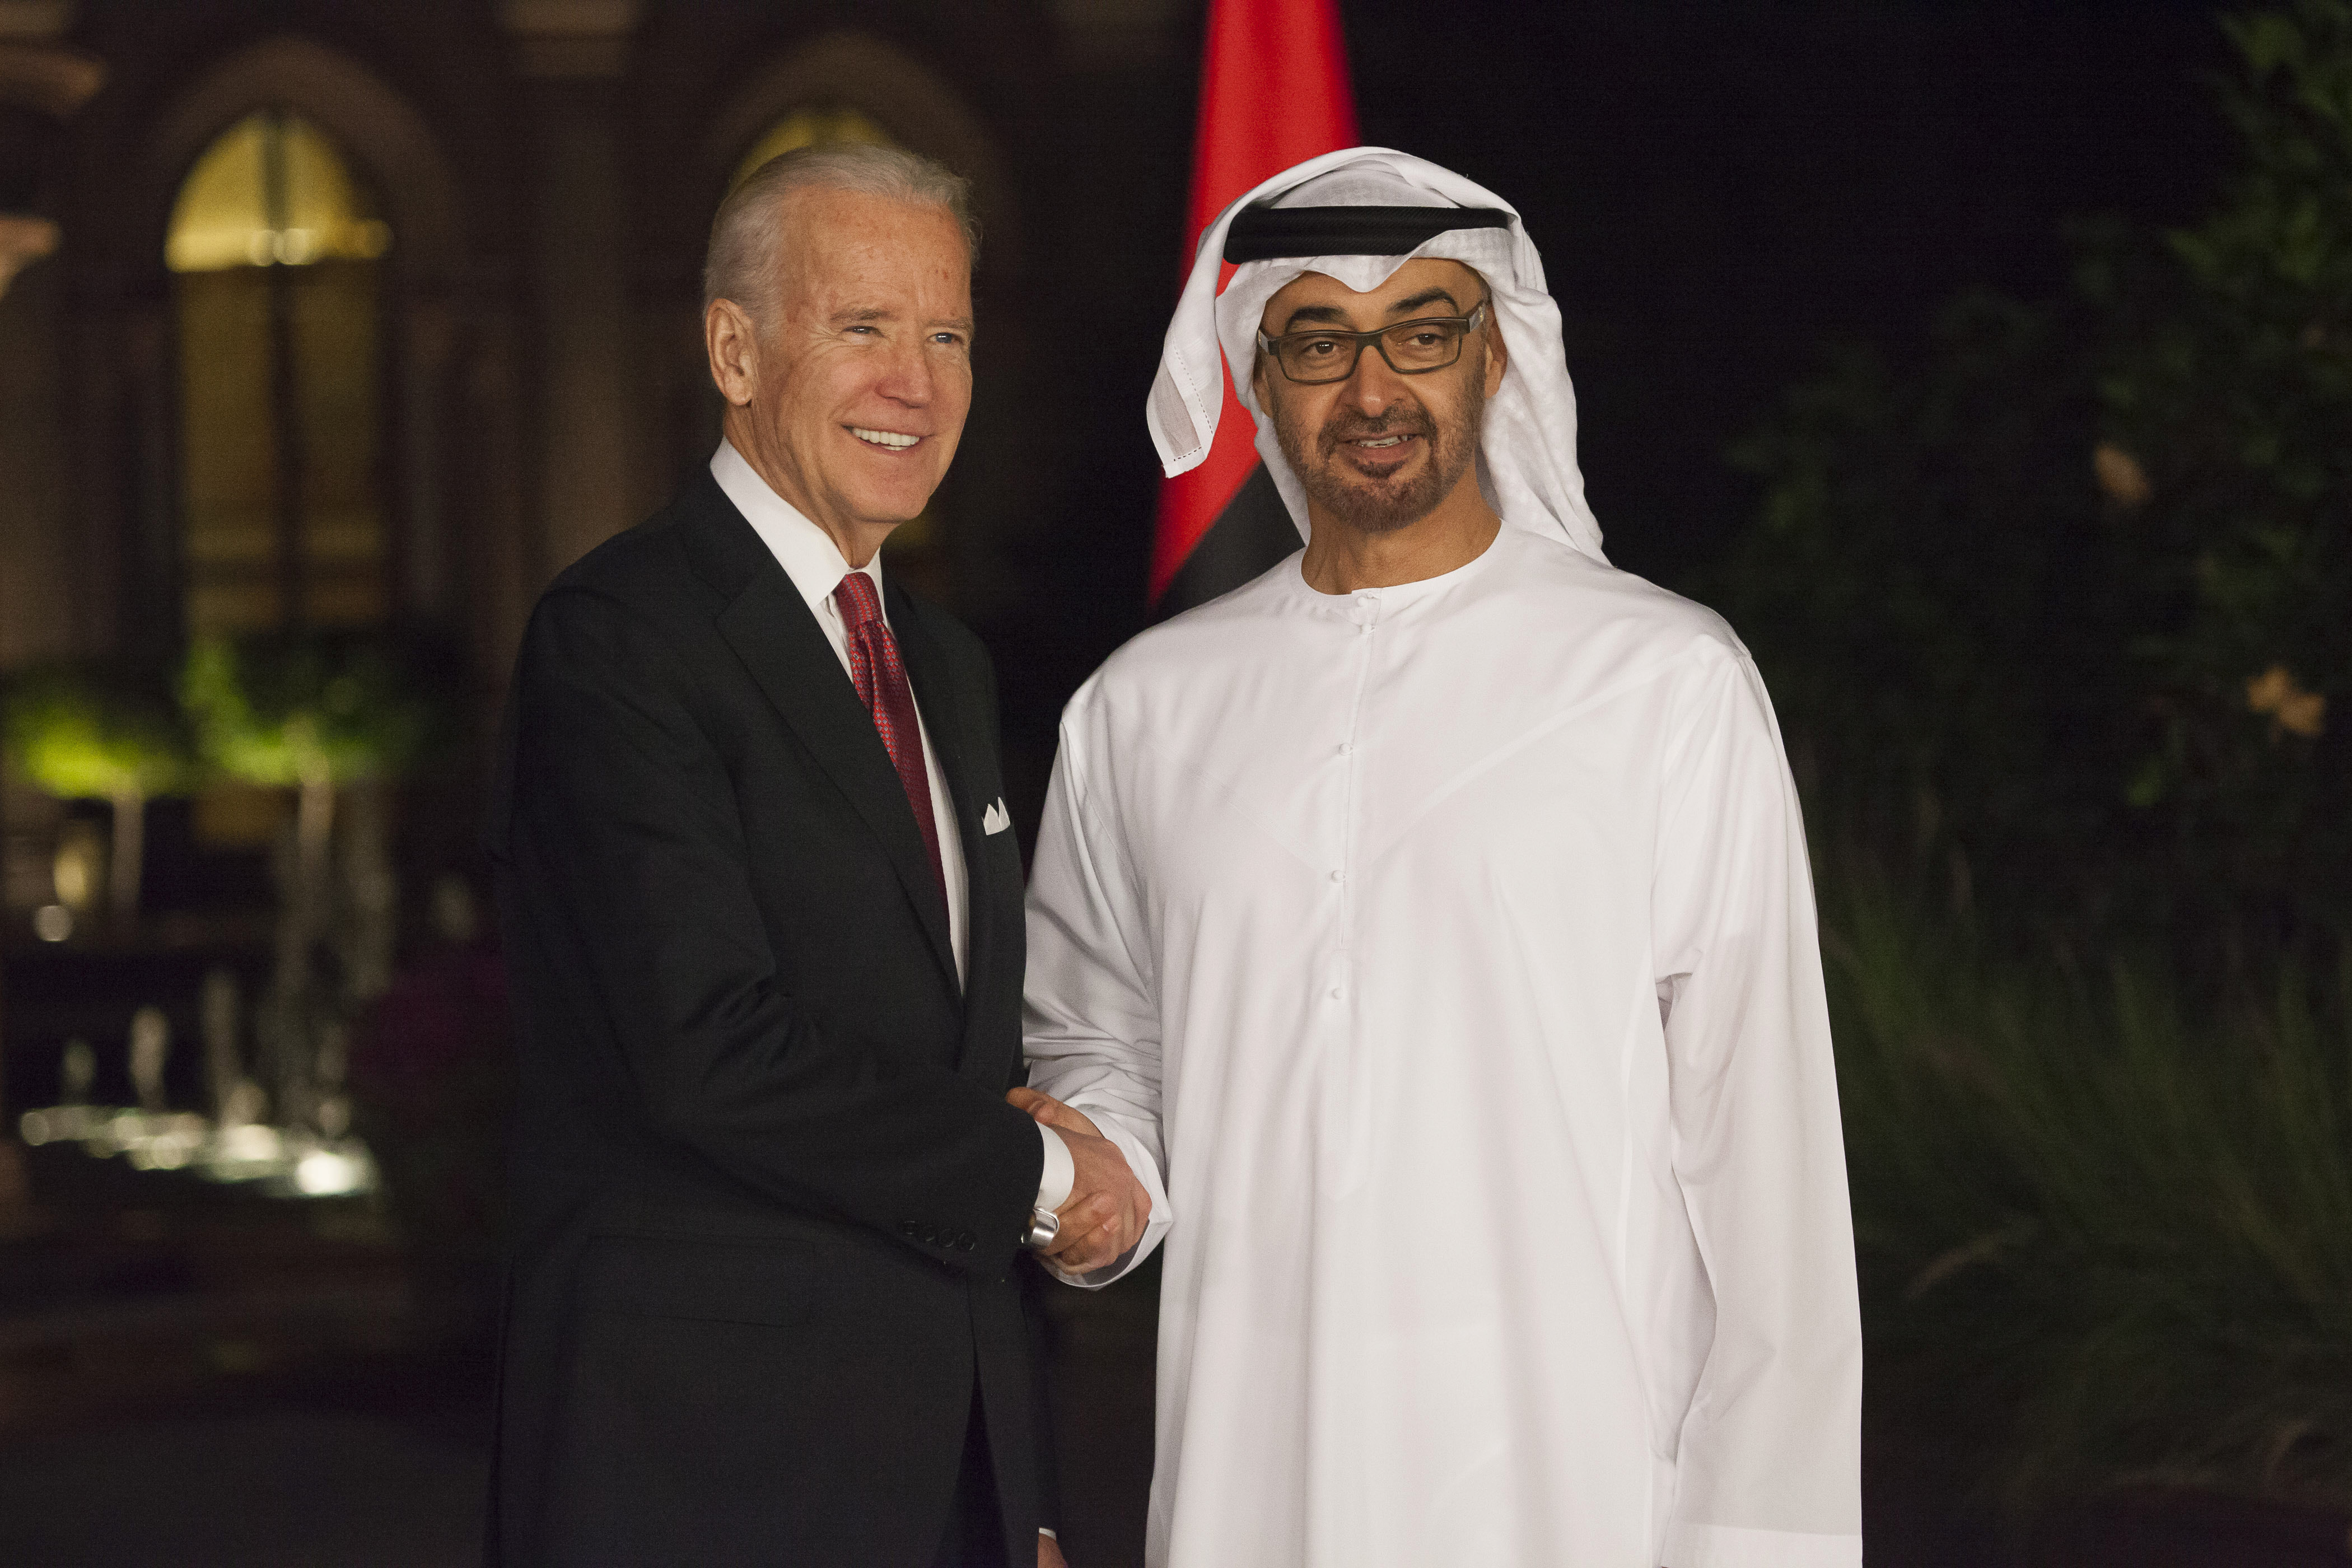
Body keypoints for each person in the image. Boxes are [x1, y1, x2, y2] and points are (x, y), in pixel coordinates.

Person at [1015, 149, 1863, 1567]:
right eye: (1321, 341)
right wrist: (1102, 1190)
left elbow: (1763, 1168)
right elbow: (1105, 1048)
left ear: (1495, 360)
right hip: (1251, 1486)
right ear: (1259, 375)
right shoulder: (1138, 711)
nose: (1373, 388)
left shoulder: (1661, 679)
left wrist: (1752, 1540)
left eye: (1422, 330)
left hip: (1574, 1495)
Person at [484, 143, 1148, 1567]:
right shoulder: (621, 639)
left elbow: (966, 1067)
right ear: (734, 348)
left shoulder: (948, 668)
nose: (915, 381)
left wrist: (1017, 1488)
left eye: (948, 334)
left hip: (946, 1482)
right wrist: (1046, 1173)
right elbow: (709, 1049)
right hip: (701, 1477)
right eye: (862, 328)